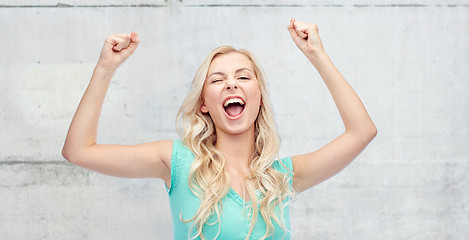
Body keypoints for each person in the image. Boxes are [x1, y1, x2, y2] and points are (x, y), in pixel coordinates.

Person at [62, 18, 377, 240]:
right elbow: (78, 151)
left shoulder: (281, 177)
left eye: (242, 77)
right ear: (204, 104)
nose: (231, 83)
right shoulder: (177, 162)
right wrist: (105, 69)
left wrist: (316, 55)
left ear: (259, 96)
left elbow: (362, 132)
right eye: (217, 80)